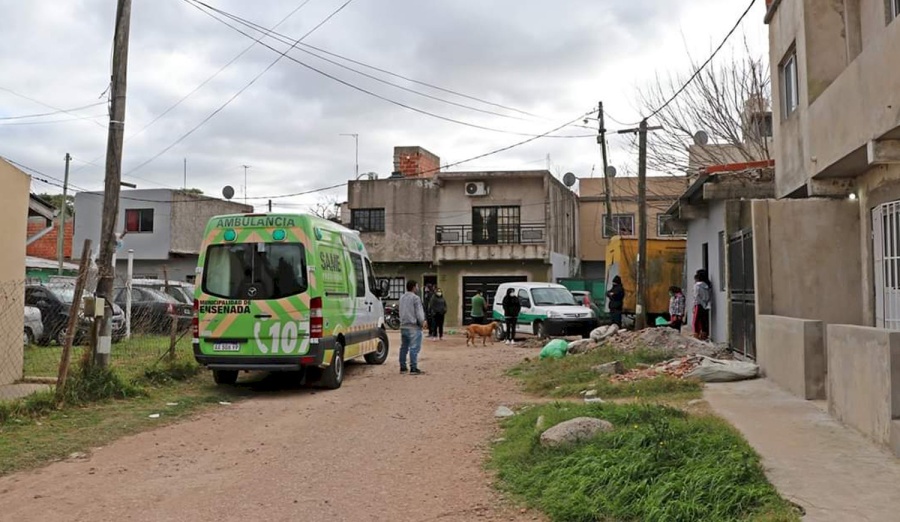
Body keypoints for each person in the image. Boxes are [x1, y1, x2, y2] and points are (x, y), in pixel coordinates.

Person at [399, 280, 426, 374]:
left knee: (404, 347)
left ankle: (403, 367)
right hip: (413, 326)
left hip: (403, 325)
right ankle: (413, 368)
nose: (418, 288)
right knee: (414, 348)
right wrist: (422, 322)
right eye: (417, 286)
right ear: (414, 287)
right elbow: (419, 312)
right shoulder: (416, 298)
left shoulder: (402, 297)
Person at [692, 269, 712, 341]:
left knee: (696, 321)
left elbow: (696, 296)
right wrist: (706, 304)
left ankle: (696, 335)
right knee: (704, 320)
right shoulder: (707, 285)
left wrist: (700, 304)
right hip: (706, 304)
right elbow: (709, 296)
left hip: (698, 304)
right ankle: (704, 335)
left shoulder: (697, 286)